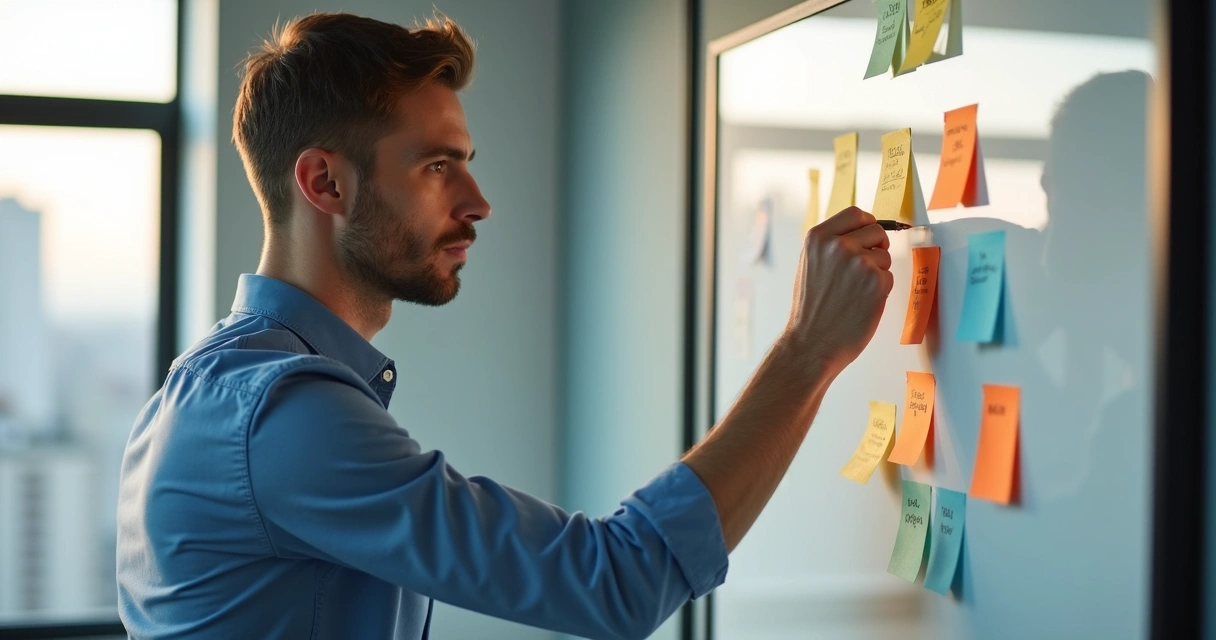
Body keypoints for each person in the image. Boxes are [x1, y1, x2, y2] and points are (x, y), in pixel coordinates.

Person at [115, 12, 892, 640]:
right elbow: (615, 582)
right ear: (325, 183)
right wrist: (808, 351)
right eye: (437, 166)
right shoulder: (285, 419)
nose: (478, 202)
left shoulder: (206, 388)